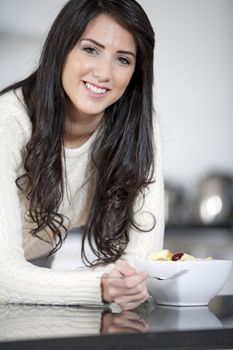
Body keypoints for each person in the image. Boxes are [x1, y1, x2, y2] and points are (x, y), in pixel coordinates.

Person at [0, 0, 164, 310]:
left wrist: (121, 285)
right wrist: (101, 287)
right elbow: (3, 277)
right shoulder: (7, 122)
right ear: (62, 49)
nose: (104, 73)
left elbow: (141, 265)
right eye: (91, 49)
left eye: (123, 59)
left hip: (32, 281)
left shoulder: (138, 128)